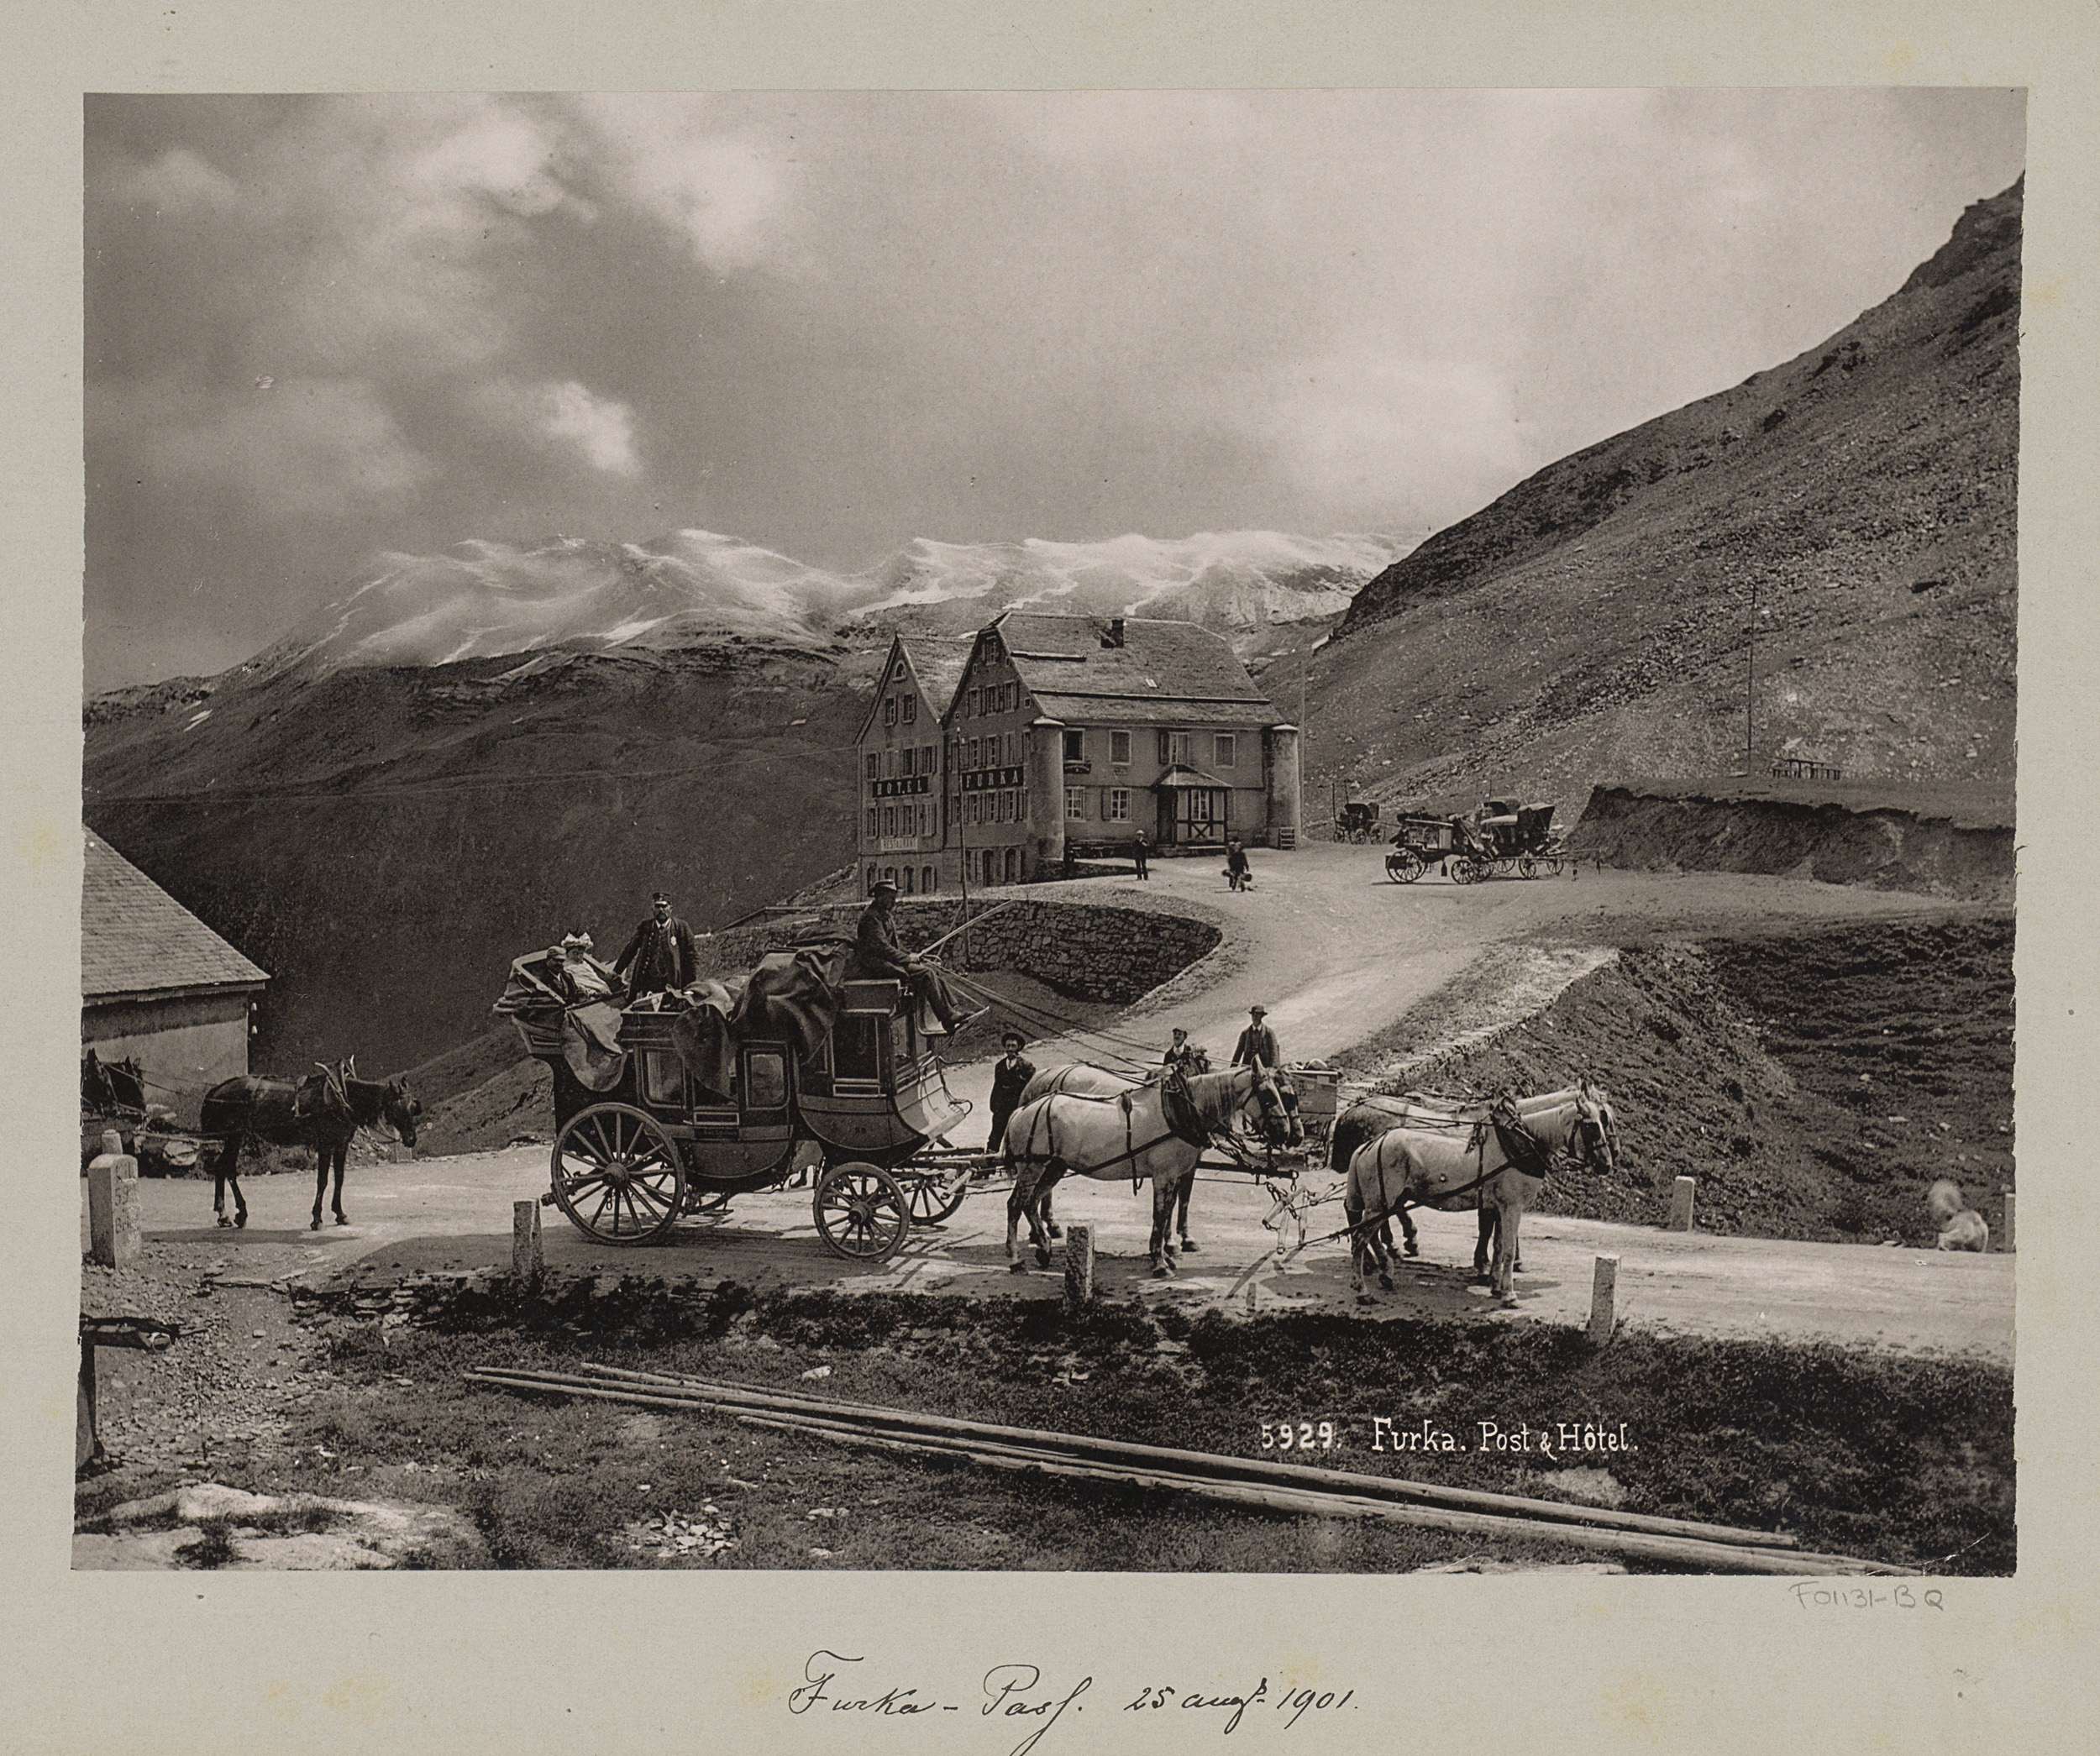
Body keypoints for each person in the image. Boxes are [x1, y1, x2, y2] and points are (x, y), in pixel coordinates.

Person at [850, 878, 979, 1035]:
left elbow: (895, 946)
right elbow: (882, 948)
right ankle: (947, 1017)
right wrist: (908, 959)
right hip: (876, 966)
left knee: (932, 968)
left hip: (887, 960)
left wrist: (911, 954)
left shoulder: (884, 915)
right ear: (880, 896)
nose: (894, 901)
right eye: (891, 898)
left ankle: (952, 1010)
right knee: (926, 973)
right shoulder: (871, 918)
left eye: (894, 897)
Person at [616, 889, 698, 998]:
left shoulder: (681, 927)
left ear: (671, 909)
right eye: (657, 906)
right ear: (652, 909)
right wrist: (616, 972)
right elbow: (630, 950)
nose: (661, 910)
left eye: (664, 906)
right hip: (649, 983)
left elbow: (691, 957)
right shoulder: (645, 927)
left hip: (673, 983)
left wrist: (690, 985)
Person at [987, 1030, 1036, 1151]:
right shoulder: (999, 1066)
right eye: (1008, 1046)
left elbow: (1031, 1087)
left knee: (1017, 1136)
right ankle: (990, 1160)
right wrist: (994, 1105)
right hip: (1001, 1107)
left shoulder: (1026, 1066)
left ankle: (1014, 1161)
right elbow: (997, 1086)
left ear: (1019, 1047)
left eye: (1013, 1046)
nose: (1010, 1049)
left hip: (1017, 1106)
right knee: (995, 1135)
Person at [554, 931, 615, 1004]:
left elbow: (594, 979)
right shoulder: (565, 967)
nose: (578, 957)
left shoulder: (585, 965)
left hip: (601, 992)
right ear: (567, 953)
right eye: (575, 953)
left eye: (581, 954)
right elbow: (575, 985)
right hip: (587, 996)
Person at [1231, 1004, 1280, 1072]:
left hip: (1265, 1070)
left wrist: (1273, 1070)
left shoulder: (1269, 1033)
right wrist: (1231, 1070)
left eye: (1257, 1014)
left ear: (1262, 1016)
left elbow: (1274, 1054)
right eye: (1253, 1014)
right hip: (1248, 1069)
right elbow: (1238, 1054)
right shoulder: (1245, 1034)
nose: (1255, 1016)